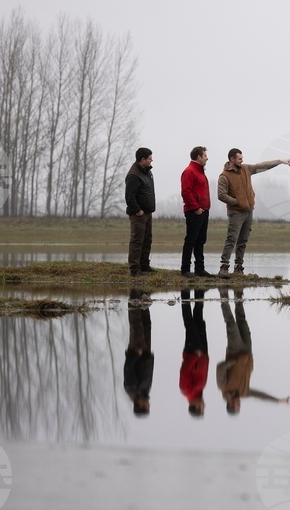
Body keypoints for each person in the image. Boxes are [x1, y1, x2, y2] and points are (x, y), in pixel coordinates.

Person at [216, 148, 290, 277]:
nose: (242, 160)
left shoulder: (246, 169)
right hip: (235, 212)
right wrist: (237, 202)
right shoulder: (224, 176)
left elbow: (262, 166)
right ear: (232, 159)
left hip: (248, 211)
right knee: (231, 239)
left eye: (242, 158)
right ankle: (224, 267)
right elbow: (221, 195)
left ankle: (238, 267)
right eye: (239, 159)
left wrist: (280, 161)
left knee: (243, 241)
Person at [216, 287, 290, 414]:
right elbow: (260, 396)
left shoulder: (223, 387)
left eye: (237, 406)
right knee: (242, 320)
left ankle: (223, 295)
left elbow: (220, 368)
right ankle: (238, 294)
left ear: (230, 404)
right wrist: (278, 400)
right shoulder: (244, 392)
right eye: (239, 406)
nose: (239, 403)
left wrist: (234, 362)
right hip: (248, 352)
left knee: (231, 323)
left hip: (234, 351)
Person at [181, 146, 212, 278]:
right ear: (198, 157)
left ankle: (200, 269)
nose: (207, 158)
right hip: (194, 212)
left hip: (204, 211)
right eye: (205, 156)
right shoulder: (189, 171)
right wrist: (196, 208)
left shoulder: (200, 171)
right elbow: (186, 192)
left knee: (200, 240)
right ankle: (185, 269)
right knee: (191, 240)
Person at [125, 147, 156, 277]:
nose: (151, 160)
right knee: (137, 240)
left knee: (147, 239)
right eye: (149, 158)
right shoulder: (134, 175)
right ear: (142, 159)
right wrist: (138, 211)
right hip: (138, 214)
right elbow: (129, 197)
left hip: (147, 213)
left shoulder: (147, 172)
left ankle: (144, 265)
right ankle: (134, 269)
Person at [123, 289, 154, 417]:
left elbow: (128, 368)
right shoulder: (145, 391)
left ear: (140, 405)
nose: (148, 404)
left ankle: (134, 294)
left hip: (137, 350)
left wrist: (136, 355)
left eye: (146, 406)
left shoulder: (131, 389)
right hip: (145, 352)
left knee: (136, 324)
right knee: (146, 324)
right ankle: (142, 297)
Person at [179, 288, 209, 417]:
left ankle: (185, 291)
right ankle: (199, 290)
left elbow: (185, 371)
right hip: (202, 353)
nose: (204, 405)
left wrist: (194, 357)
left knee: (190, 323)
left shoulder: (187, 391)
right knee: (199, 319)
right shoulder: (199, 391)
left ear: (196, 406)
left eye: (202, 408)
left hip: (193, 352)